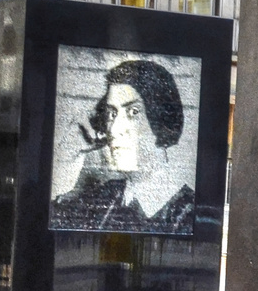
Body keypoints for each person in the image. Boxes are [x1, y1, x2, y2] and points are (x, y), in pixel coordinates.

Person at [51, 58, 194, 235]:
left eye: (133, 112)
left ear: (162, 120)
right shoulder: (106, 195)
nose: (114, 129)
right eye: (112, 114)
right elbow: (50, 223)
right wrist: (67, 155)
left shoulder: (188, 214)